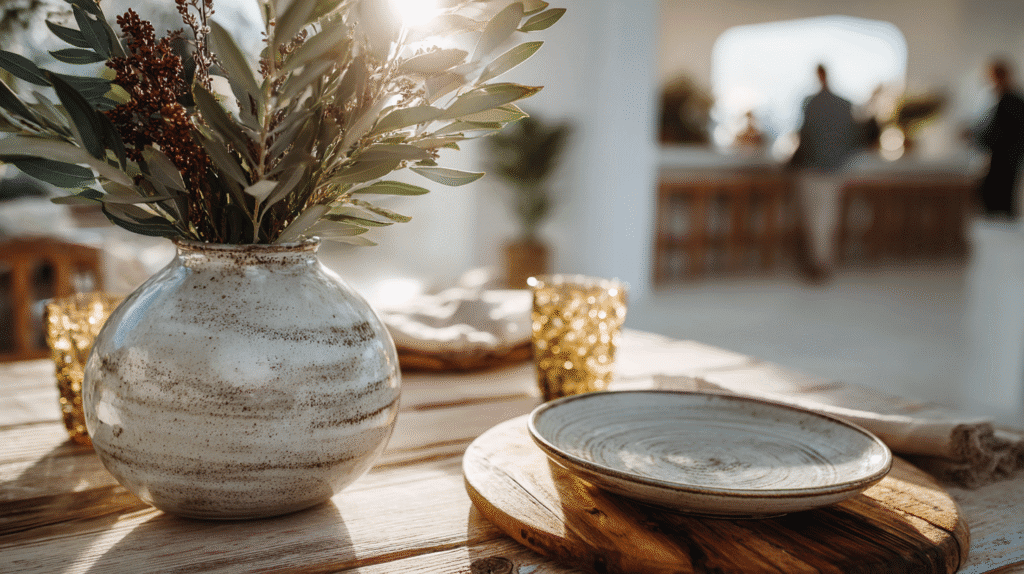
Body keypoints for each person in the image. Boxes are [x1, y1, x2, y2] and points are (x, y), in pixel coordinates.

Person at [789, 64, 858, 281]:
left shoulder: (812, 103)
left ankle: (819, 262)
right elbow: (854, 138)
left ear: (818, 75)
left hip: (812, 168)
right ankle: (823, 260)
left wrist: (790, 163)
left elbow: (804, 137)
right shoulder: (844, 105)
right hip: (835, 169)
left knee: (815, 216)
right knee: (828, 215)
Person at [974, 58, 1024, 218]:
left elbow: (1001, 133)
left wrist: (977, 136)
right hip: (1002, 159)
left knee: (999, 203)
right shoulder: (1003, 99)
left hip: (1005, 160)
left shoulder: (1012, 101)